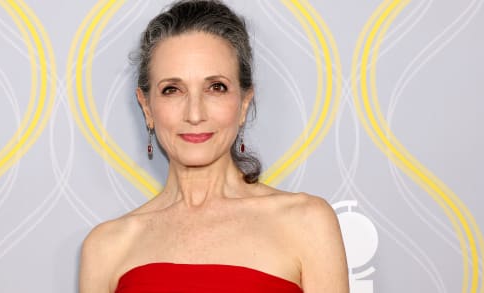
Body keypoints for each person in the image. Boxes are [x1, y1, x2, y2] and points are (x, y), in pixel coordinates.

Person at [79, 0, 349, 292]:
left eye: (216, 87)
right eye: (172, 89)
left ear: (244, 103)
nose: (195, 114)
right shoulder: (107, 247)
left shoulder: (307, 222)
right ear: (146, 107)